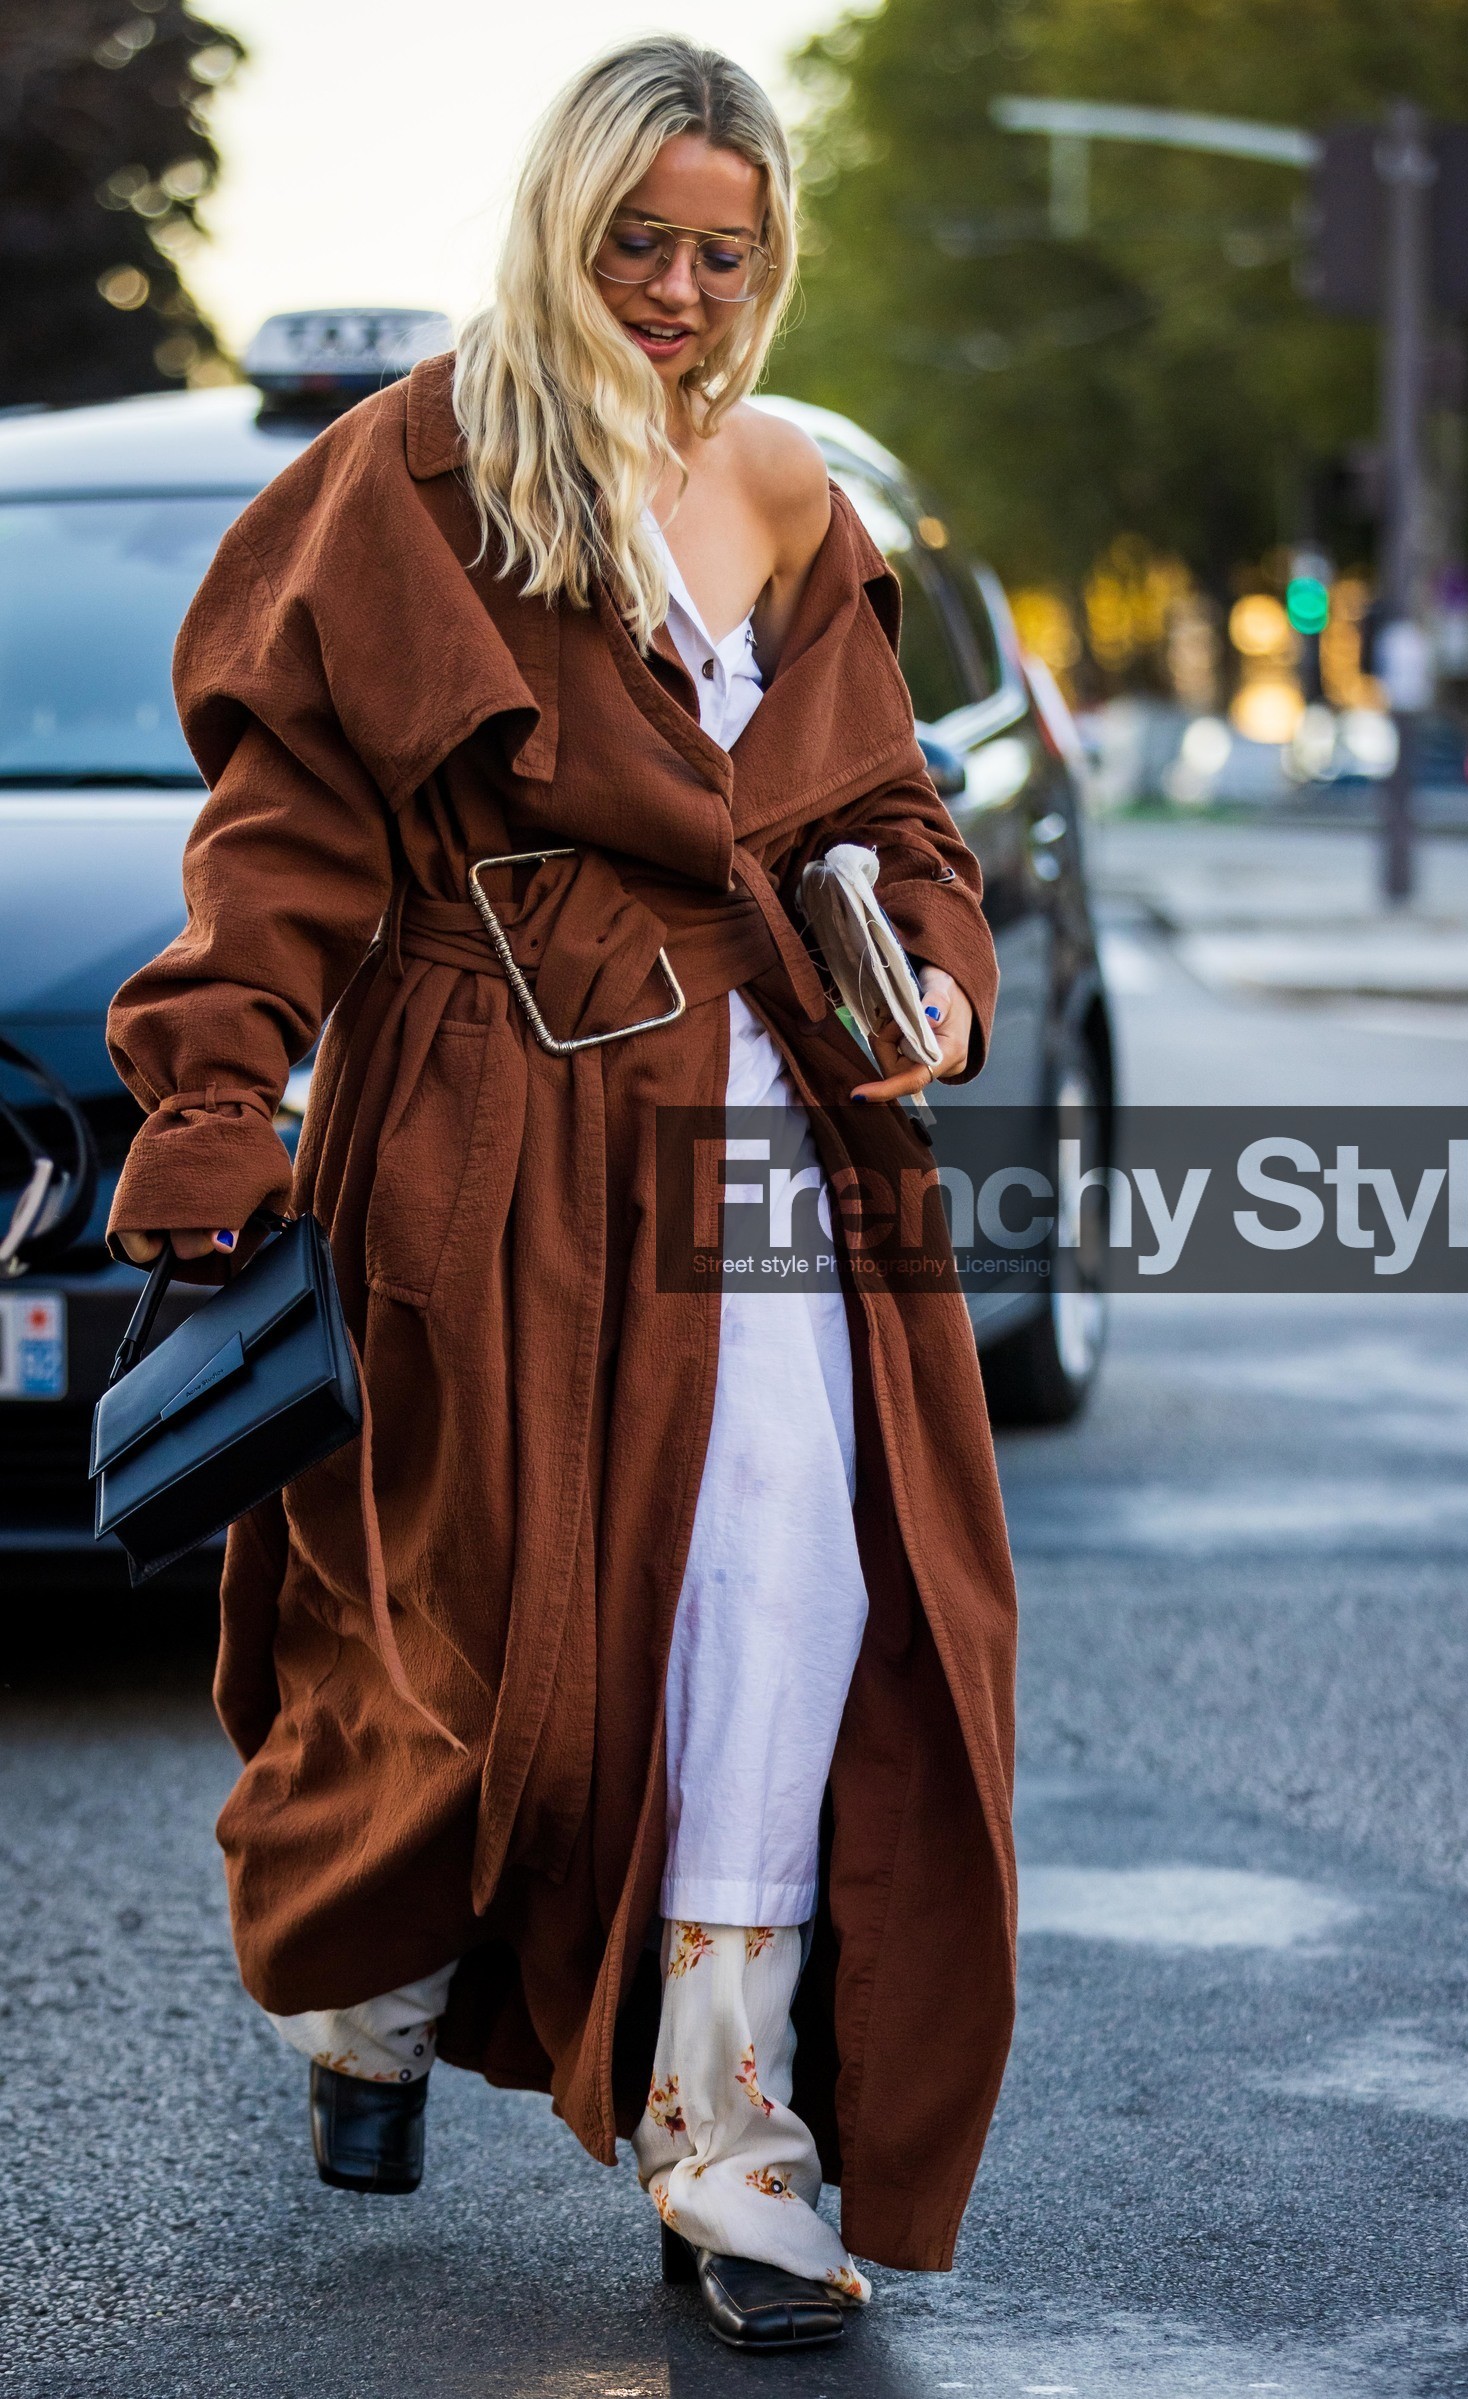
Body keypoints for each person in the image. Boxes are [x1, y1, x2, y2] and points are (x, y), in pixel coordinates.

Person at [107, 36, 1017, 2355]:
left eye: (726, 251)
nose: (684, 292)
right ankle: (374, 1971)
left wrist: (923, 964)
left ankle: (731, 2144)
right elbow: (278, 846)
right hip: (485, 1122)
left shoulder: (794, 488)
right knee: (479, 1625)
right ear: (555, 223)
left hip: (782, 1132)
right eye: (640, 243)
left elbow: (890, 814)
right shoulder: (405, 478)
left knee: (796, 1586)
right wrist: (216, 1103)